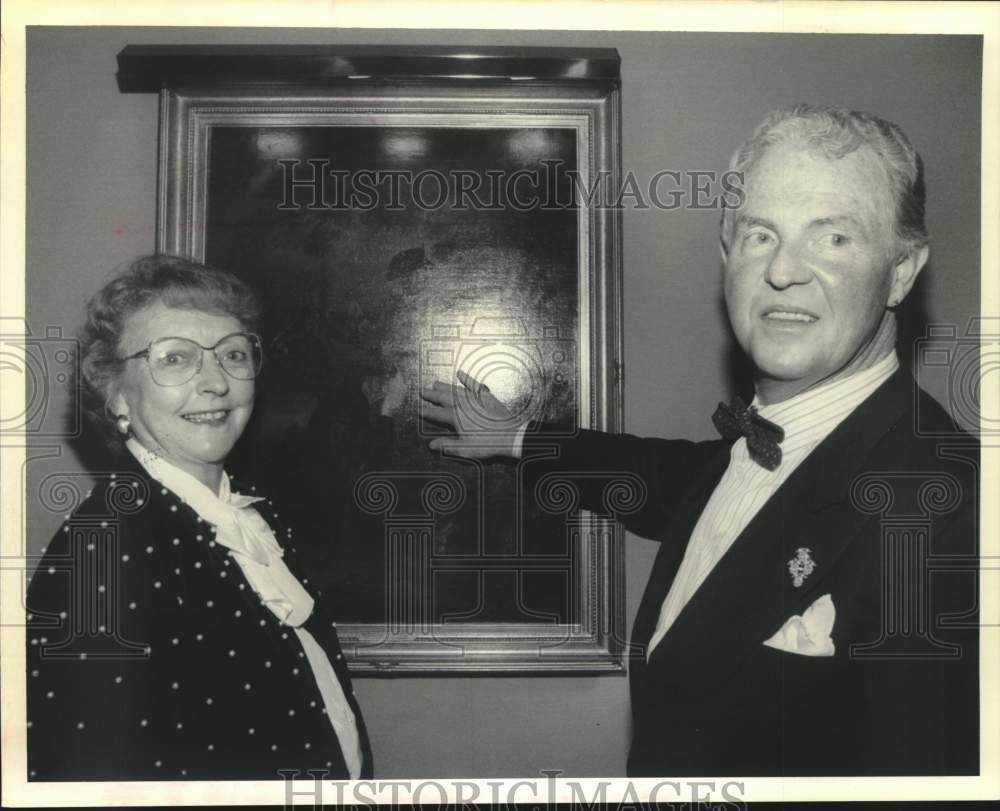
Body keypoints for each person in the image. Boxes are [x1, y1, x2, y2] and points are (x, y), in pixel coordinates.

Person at [421, 104, 979, 776]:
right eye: (760, 235)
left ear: (901, 270)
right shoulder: (751, 450)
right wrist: (517, 436)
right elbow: (659, 474)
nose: (783, 271)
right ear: (726, 252)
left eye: (833, 239)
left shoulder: (953, 508)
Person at [25, 255, 372, 781]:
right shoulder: (104, 547)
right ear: (115, 392)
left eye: (233, 354)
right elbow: (83, 770)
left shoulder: (256, 517)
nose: (215, 381)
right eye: (174, 359)